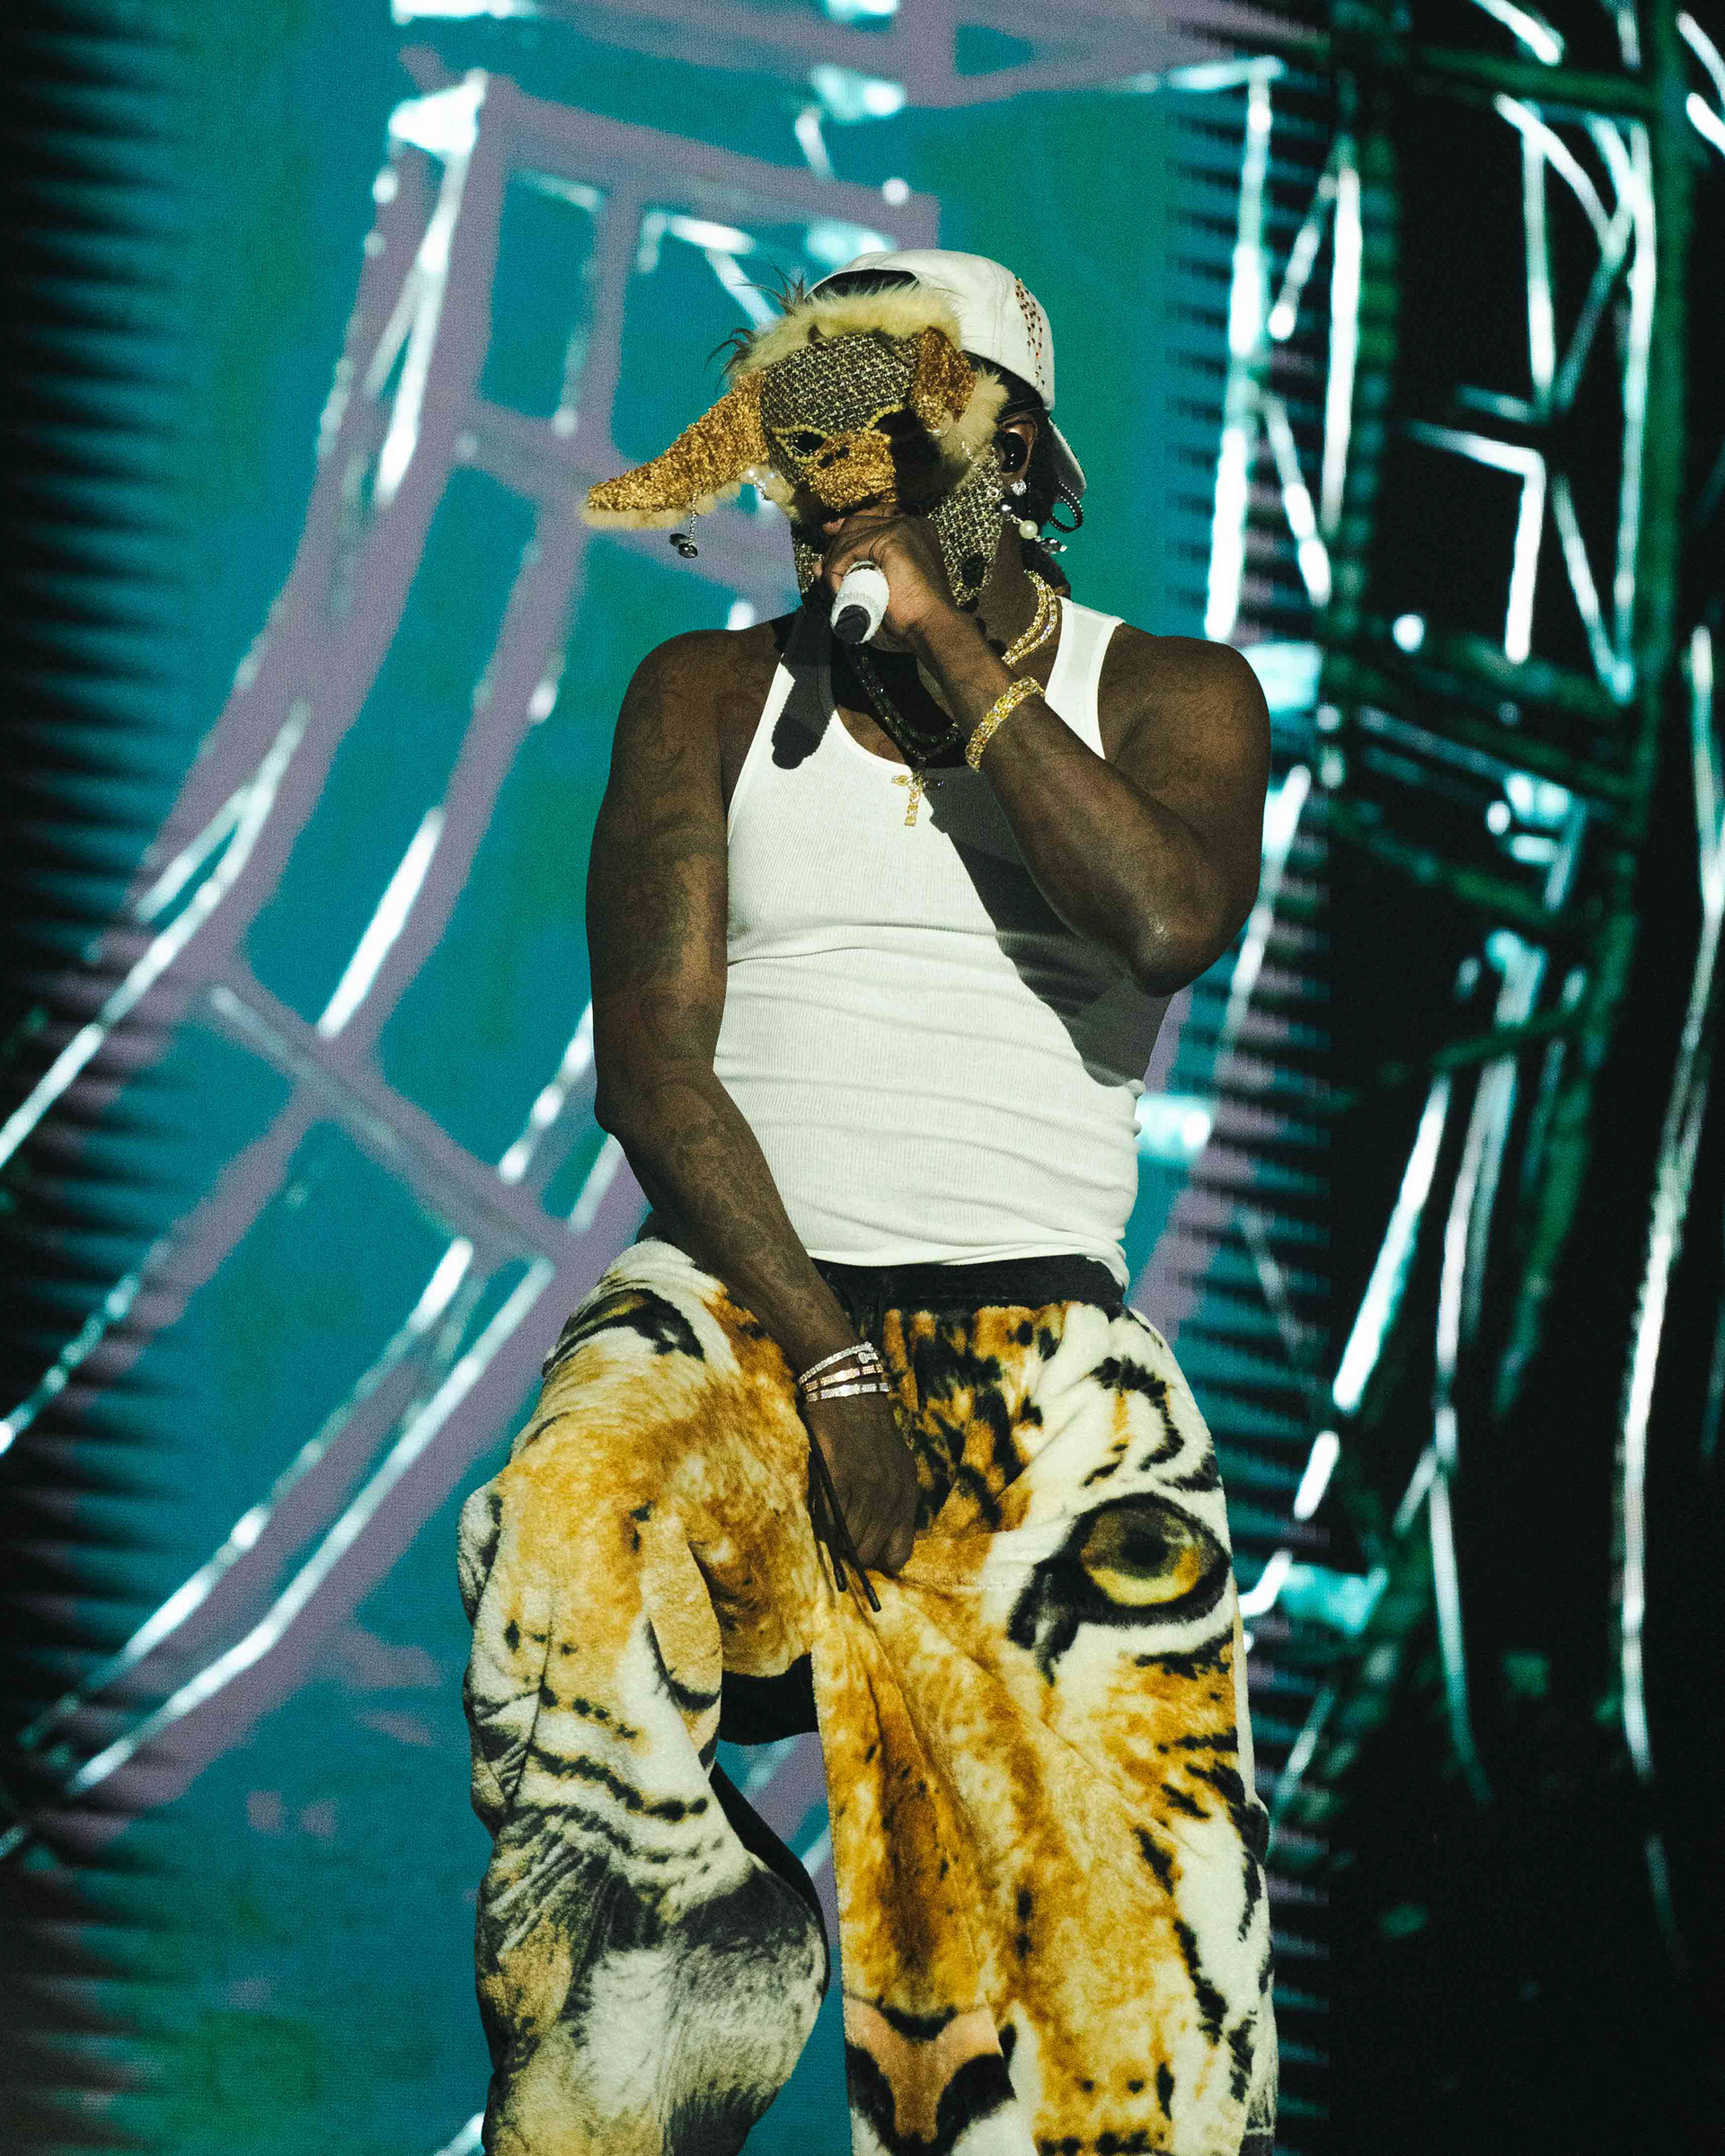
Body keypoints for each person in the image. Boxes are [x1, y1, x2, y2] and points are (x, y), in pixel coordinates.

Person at [458, 250, 1277, 2156]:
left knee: (1113, 2059)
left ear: (1026, 463)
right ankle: (683, 1959)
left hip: (1043, 1362)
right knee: (577, 1497)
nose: (844, 481)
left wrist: (959, 661)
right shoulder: (707, 692)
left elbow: (1167, 920)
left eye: (905, 438)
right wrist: (828, 1366)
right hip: (750, 1309)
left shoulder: (1169, 692)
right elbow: (654, 1068)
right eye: (809, 436)